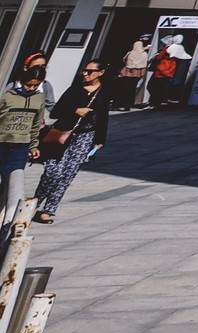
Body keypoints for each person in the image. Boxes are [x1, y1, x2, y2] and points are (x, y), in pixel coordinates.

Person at [32, 59, 109, 224]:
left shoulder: (103, 92)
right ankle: (34, 204)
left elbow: (103, 117)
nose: (85, 74)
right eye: (84, 71)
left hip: (85, 137)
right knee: (53, 172)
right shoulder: (75, 89)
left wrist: (100, 139)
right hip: (62, 133)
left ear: (101, 73)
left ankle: (48, 210)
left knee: (67, 175)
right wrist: (75, 110)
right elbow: (56, 111)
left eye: (90, 71)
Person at [0, 61, 45, 223]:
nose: (31, 88)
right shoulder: (8, 96)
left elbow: (36, 125)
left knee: (12, 179)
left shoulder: (39, 99)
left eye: (35, 85)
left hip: (21, 146)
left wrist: (33, 146)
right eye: (28, 84)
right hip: (2, 142)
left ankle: (6, 215)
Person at [116, 36, 151, 111]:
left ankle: (121, 104)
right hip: (137, 74)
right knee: (132, 89)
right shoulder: (144, 54)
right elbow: (144, 65)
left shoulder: (130, 53)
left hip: (127, 73)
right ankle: (128, 105)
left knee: (124, 89)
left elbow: (125, 61)